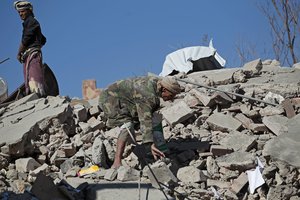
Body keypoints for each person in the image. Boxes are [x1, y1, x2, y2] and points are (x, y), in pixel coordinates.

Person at [99, 76, 181, 169]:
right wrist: (149, 143)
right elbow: (145, 119)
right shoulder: (148, 95)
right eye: (171, 96)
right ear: (164, 89)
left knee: (155, 116)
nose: (172, 100)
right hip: (111, 99)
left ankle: (161, 150)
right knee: (128, 125)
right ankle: (117, 162)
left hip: (128, 99)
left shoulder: (158, 84)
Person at [14, 1, 47, 97]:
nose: (20, 14)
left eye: (22, 11)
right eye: (19, 12)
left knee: (34, 81)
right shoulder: (30, 23)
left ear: (29, 11)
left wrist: (19, 53)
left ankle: (38, 98)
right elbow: (43, 39)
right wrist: (37, 45)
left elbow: (26, 39)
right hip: (29, 54)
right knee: (29, 79)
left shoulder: (31, 22)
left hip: (33, 55)